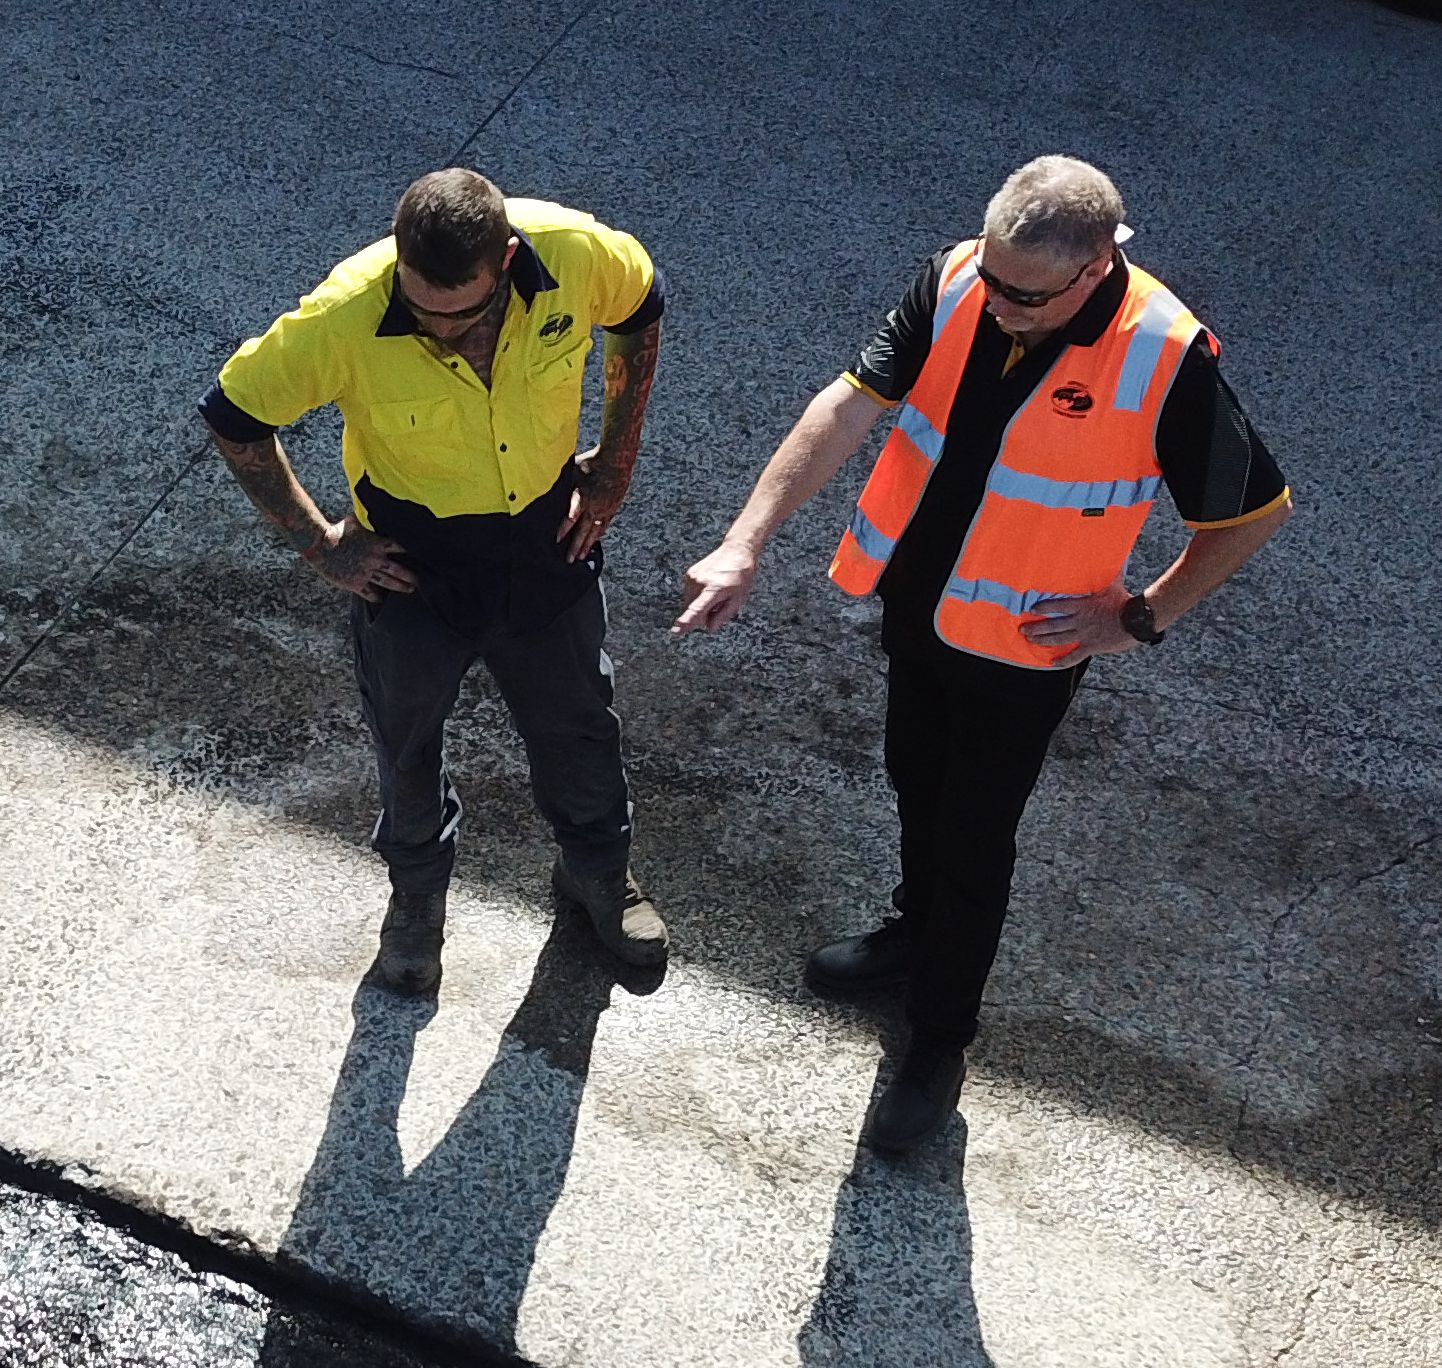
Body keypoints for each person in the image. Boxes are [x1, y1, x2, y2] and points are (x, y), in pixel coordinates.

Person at [675, 155, 1292, 1154]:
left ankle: (939, 1041)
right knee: (913, 785)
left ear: (1096, 267)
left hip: (1023, 650)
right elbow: (846, 407)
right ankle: (912, 935)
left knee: (972, 837)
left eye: (1025, 294)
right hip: (918, 607)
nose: (998, 301)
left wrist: (1138, 616)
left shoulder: (1162, 354)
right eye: (995, 278)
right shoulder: (956, 277)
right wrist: (746, 538)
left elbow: (1250, 514)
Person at [199, 168, 669, 992]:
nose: (442, 333)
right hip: (414, 563)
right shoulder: (343, 315)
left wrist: (616, 463)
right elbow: (236, 419)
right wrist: (321, 544)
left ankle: (597, 874)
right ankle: (416, 900)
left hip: (545, 539)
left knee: (580, 723)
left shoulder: (578, 254)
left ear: (509, 261)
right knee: (407, 741)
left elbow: (640, 314)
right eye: (420, 314)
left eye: (463, 314)